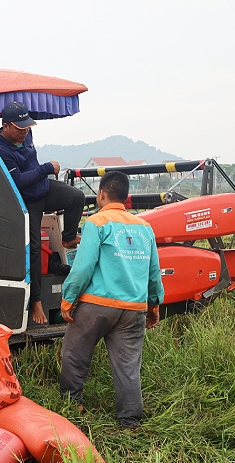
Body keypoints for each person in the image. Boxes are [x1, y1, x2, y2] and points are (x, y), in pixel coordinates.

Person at [58, 171, 164, 430]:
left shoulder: (97, 222)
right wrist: (153, 304)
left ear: (102, 194)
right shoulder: (145, 227)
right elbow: (153, 270)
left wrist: (68, 298)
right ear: (126, 197)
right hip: (133, 309)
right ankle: (129, 421)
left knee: (75, 353)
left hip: (96, 305)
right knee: (128, 366)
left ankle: (72, 406)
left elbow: (83, 267)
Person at [0, 102, 86, 325]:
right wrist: (46, 168)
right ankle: (36, 301)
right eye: (19, 129)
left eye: (27, 127)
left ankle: (68, 236)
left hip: (43, 189)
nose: (24, 132)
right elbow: (18, 182)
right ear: (5, 126)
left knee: (76, 197)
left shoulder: (25, 133)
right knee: (33, 249)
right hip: (27, 200)